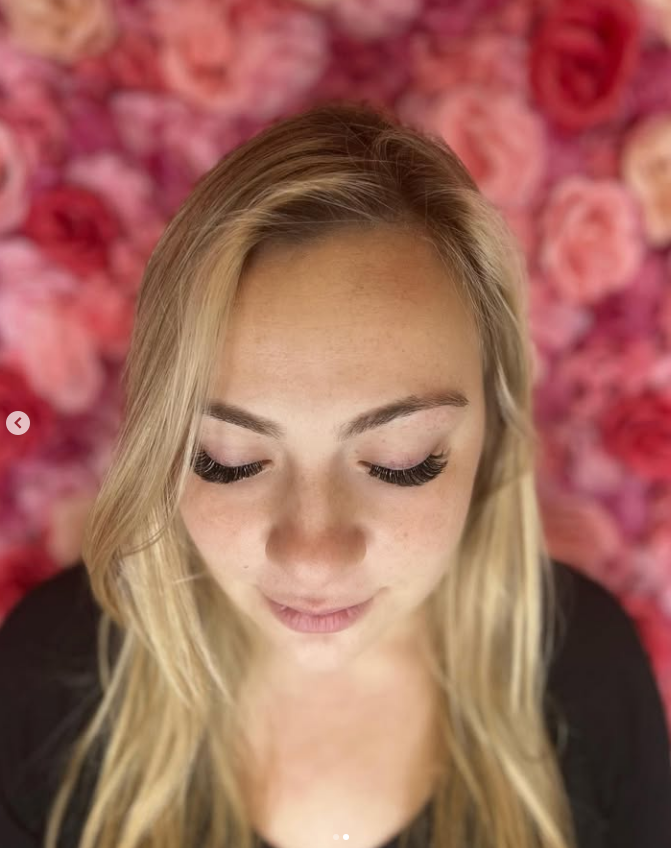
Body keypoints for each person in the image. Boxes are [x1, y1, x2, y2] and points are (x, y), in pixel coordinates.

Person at [1, 99, 670, 848]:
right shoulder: (44, 678)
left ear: (493, 434)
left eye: (402, 461)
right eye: (225, 459)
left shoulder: (587, 673)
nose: (312, 554)